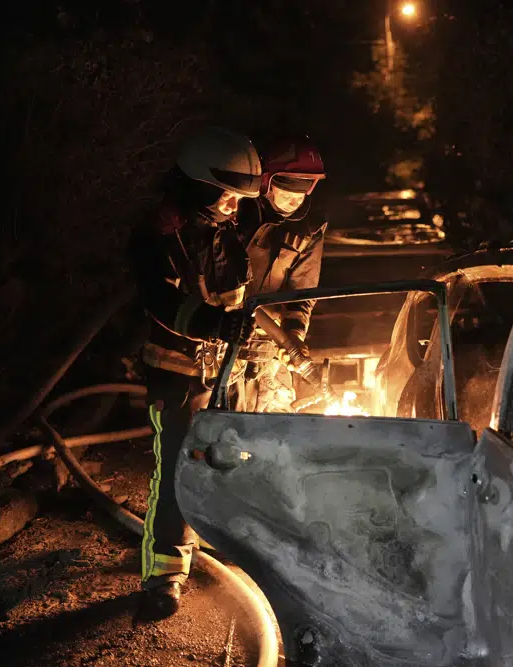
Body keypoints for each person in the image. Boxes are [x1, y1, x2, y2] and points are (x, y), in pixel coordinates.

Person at [129, 125, 263, 620]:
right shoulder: (160, 237)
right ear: (201, 185)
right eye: (227, 195)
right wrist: (213, 323)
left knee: (231, 461)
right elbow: (162, 299)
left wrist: (249, 341)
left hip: (224, 374)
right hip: (177, 377)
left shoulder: (227, 236)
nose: (234, 205)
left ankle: (226, 544)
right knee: (177, 473)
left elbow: (238, 297)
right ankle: (163, 576)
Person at [235, 135, 328, 413]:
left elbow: (303, 293)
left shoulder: (308, 229)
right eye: (286, 191)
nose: (293, 201)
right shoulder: (235, 212)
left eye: (301, 194)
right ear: (266, 182)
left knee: (275, 423)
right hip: (223, 337)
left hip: (270, 346)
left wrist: (294, 335)